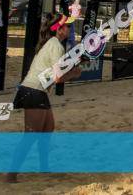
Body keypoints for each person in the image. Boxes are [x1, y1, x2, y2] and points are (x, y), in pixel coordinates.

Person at [7, 12, 84, 182]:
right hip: (33, 90)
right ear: (58, 29)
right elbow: (58, 78)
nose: (70, 29)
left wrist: (72, 68)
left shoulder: (52, 43)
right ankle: (11, 174)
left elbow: (53, 73)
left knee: (48, 128)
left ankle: (44, 168)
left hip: (38, 91)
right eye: (67, 26)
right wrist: (74, 73)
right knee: (31, 135)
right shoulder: (56, 45)